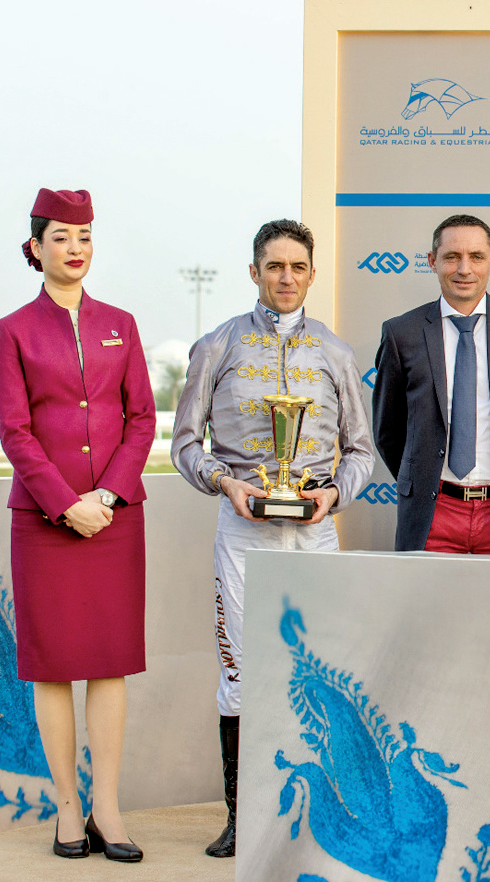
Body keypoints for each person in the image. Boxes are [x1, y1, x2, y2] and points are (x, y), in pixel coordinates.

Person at [171, 218, 374, 857]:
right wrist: (224, 483)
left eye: (297, 267)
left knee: (320, 671)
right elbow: (184, 444)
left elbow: (361, 451)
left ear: (312, 274)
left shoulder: (335, 352)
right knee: (241, 671)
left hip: (313, 534)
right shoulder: (218, 344)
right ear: (254, 272)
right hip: (243, 529)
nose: (286, 277)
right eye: (275, 266)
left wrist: (333, 495)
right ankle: (242, 817)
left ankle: (319, 820)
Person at [0, 188, 153, 861]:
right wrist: (66, 503)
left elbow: (142, 419)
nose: (75, 247)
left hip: (114, 518)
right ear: (36, 248)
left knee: (109, 663)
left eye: (84, 235)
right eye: (61, 236)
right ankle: (66, 808)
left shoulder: (122, 323)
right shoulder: (13, 330)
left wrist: (106, 496)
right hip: (44, 520)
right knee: (53, 665)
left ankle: (106, 808)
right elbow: (15, 431)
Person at [372, 214, 490, 553]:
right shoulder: (401, 333)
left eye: (476, 257)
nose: (464, 269)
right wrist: (421, 478)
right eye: (452, 257)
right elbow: (388, 429)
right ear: (432, 261)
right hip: (433, 513)